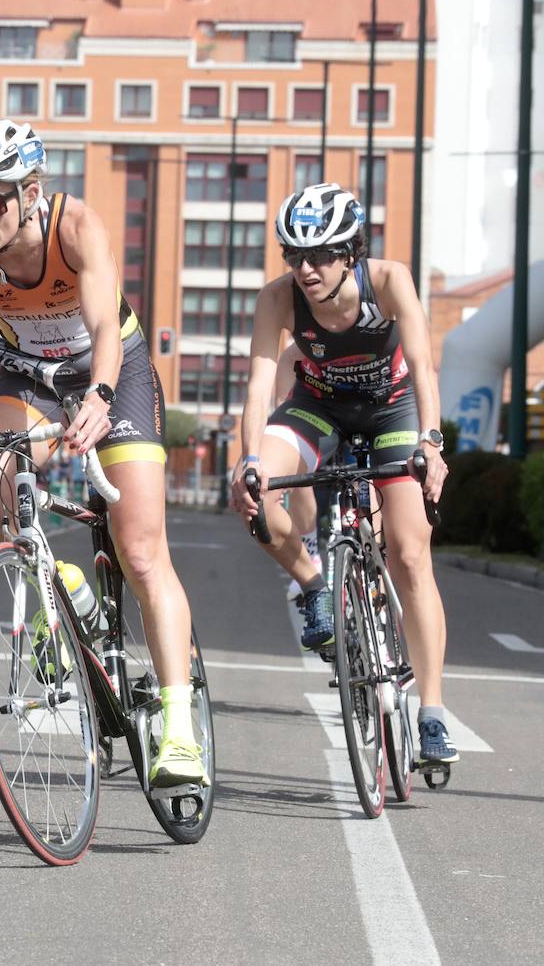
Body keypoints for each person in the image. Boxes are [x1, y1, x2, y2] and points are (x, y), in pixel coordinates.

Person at [0, 117, 205, 786]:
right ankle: (53, 584)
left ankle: (178, 728)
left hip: (116, 370)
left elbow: (107, 324)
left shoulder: (74, 226)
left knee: (140, 550)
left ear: (29, 190)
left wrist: (102, 397)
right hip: (32, 377)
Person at [229, 182, 456, 766]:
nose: (305, 268)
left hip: (392, 407)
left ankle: (431, 712)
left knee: (408, 553)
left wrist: (431, 441)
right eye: (294, 255)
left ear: (351, 251)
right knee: (255, 498)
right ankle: (314, 584)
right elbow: (257, 388)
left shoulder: (388, 280)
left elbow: (425, 368)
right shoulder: (278, 299)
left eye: (321, 255)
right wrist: (251, 458)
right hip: (318, 404)